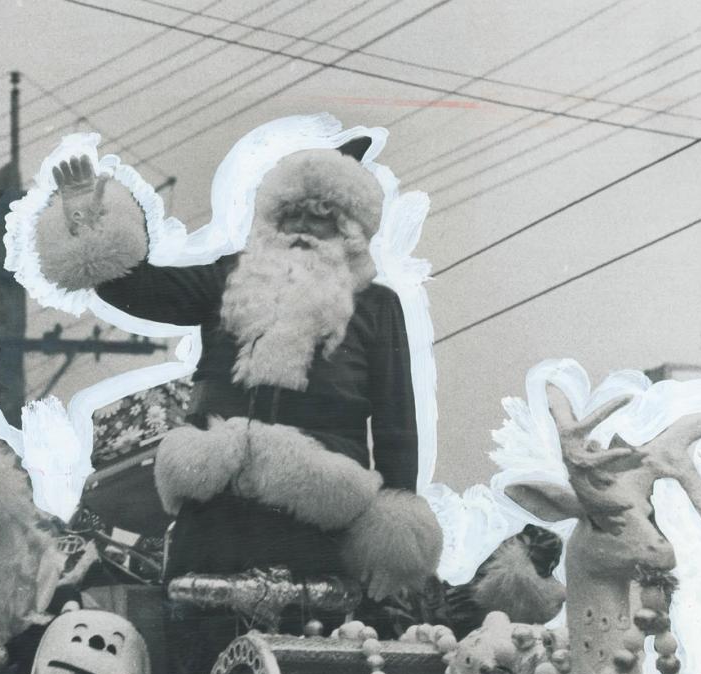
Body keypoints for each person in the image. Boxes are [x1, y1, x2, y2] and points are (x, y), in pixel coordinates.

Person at [29, 138, 440, 602]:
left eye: (321, 217)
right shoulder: (227, 278)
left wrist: (394, 539)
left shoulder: (376, 306)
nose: (302, 228)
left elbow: (397, 426)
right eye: (291, 215)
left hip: (322, 515)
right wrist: (86, 219)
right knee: (194, 633)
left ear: (349, 230)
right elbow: (137, 290)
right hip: (215, 501)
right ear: (271, 221)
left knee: (307, 648)